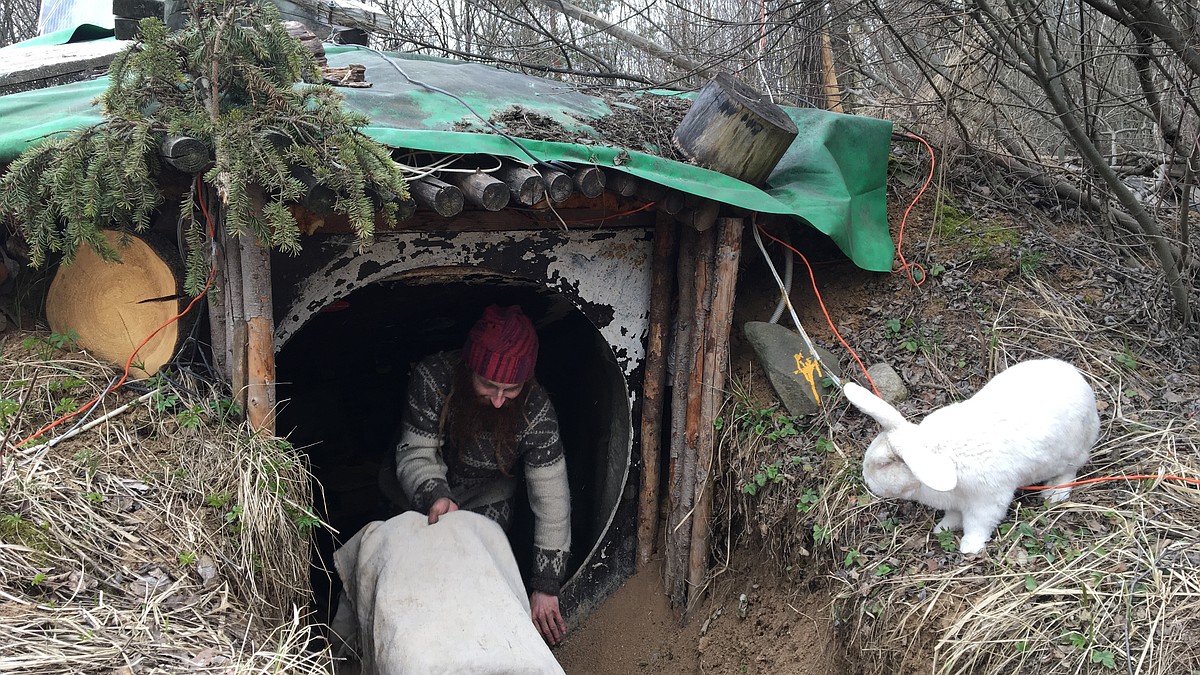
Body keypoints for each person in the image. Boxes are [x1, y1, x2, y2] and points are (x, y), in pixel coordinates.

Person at [392, 304, 571, 646]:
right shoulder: (433, 378)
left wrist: (546, 585)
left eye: (512, 389)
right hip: (417, 497)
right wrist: (437, 496)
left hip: (489, 500)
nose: (500, 400)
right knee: (409, 587)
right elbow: (416, 453)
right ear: (469, 368)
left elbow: (552, 498)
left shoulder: (537, 409)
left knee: (473, 591)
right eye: (489, 385)